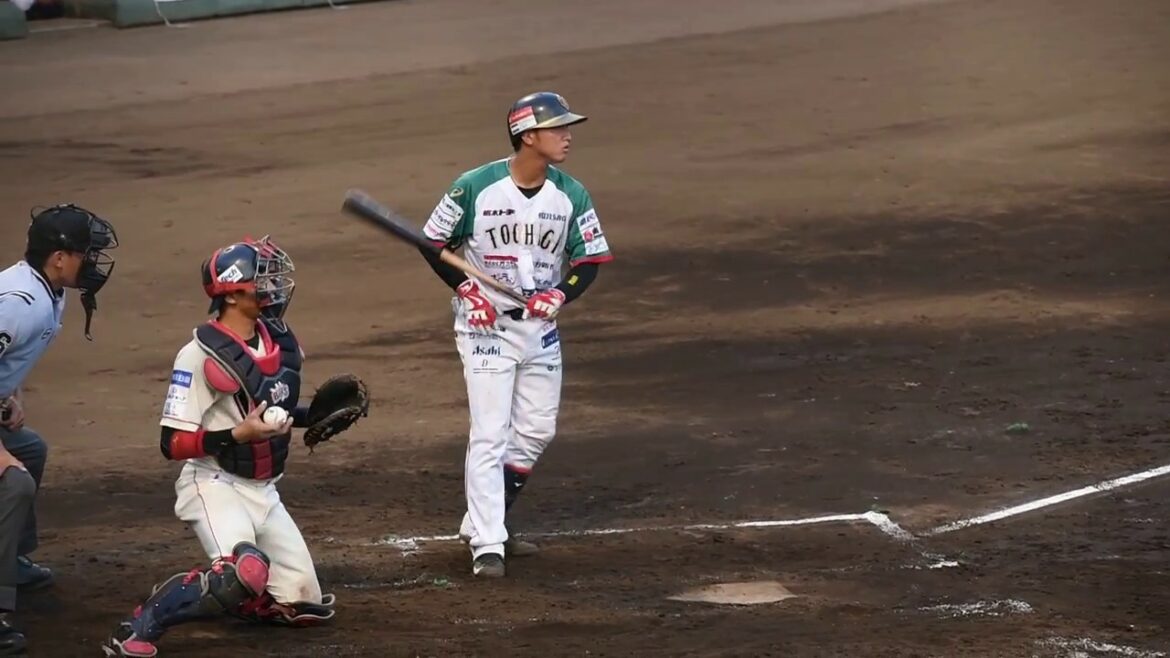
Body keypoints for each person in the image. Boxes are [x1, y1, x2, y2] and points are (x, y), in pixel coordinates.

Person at [102, 237, 340, 658]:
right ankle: (140, 625)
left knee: (303, 603)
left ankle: (241, 600)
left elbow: (271, 412)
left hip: (264, 490)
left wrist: (312, 416)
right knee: (240, 573)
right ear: (230, 294)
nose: (272, 287)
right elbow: (172, 443)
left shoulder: (279, 340)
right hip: (214, 484)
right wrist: (237, 435)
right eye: (261, 280)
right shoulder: (198, 356)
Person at [418, 91, 613, 578]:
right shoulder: (474, 187)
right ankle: (488, 543)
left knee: (535, 431)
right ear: (528, 136)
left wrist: (561, 293)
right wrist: (468, 289)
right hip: (486, 328)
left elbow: (589, 260)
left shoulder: (571, 194)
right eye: (557, 128)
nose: (567, 136)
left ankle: (481, 521)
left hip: (540, 330)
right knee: (489, 433)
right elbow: (432, 242)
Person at [0, 203, 119, 654]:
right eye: (87, 252)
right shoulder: (19, 306)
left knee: (29, 449)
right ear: (59, 258)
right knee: (14, 482)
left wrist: (12, 395)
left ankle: (10, 558)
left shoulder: (49, 290)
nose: (93, 261)